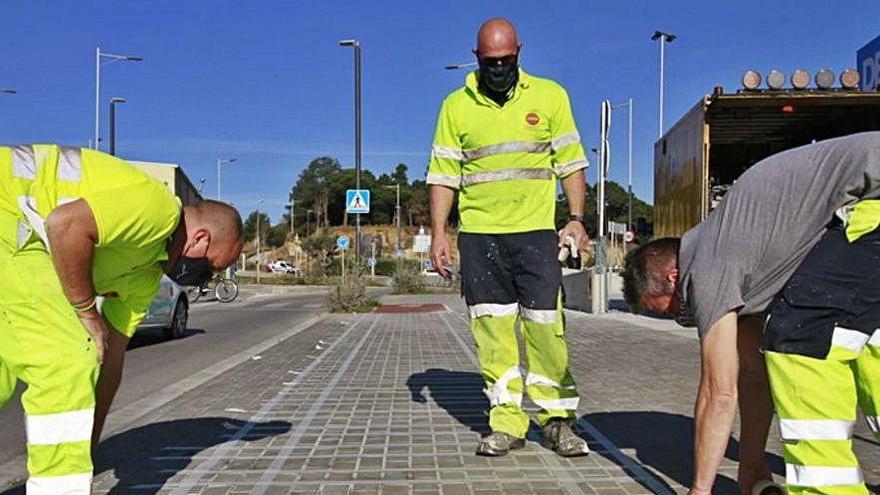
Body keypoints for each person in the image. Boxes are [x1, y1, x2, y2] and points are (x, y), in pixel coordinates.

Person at [622, 132, 880, 495]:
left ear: (672, 276)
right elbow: (752, 375)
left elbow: (718, 392)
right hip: (867, 216)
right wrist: (752, 463)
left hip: (870, 206)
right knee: (863, 344)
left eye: (673, 311)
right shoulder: (742, 262)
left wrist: (699, 490)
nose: (686, 319)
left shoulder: (707, 265)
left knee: (801, 339)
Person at [0, 145, 243, 493]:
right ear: (200, 240)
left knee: (6, 365)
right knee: (66, 358)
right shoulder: (156, 211)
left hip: (16, 231)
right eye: (213, 268)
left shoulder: (145, 275)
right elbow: (64, 225)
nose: (205, 279)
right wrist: (86, 311)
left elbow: (110, 361)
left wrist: (87, 444)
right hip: (9, 211)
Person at [428, 18, 591, 457]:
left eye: (507, 61)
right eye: (490, 62)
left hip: (536, 235)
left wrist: (576, 218)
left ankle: (557, 421)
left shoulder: (550, 96)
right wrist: (440, 233)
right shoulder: (455, 106)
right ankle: (507, 423)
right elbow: (443, 175)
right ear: (476, 57)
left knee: (545, 331)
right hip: (481, 238)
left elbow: (571, 163)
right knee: (492, 332)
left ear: (519, 52)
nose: (499, 68)